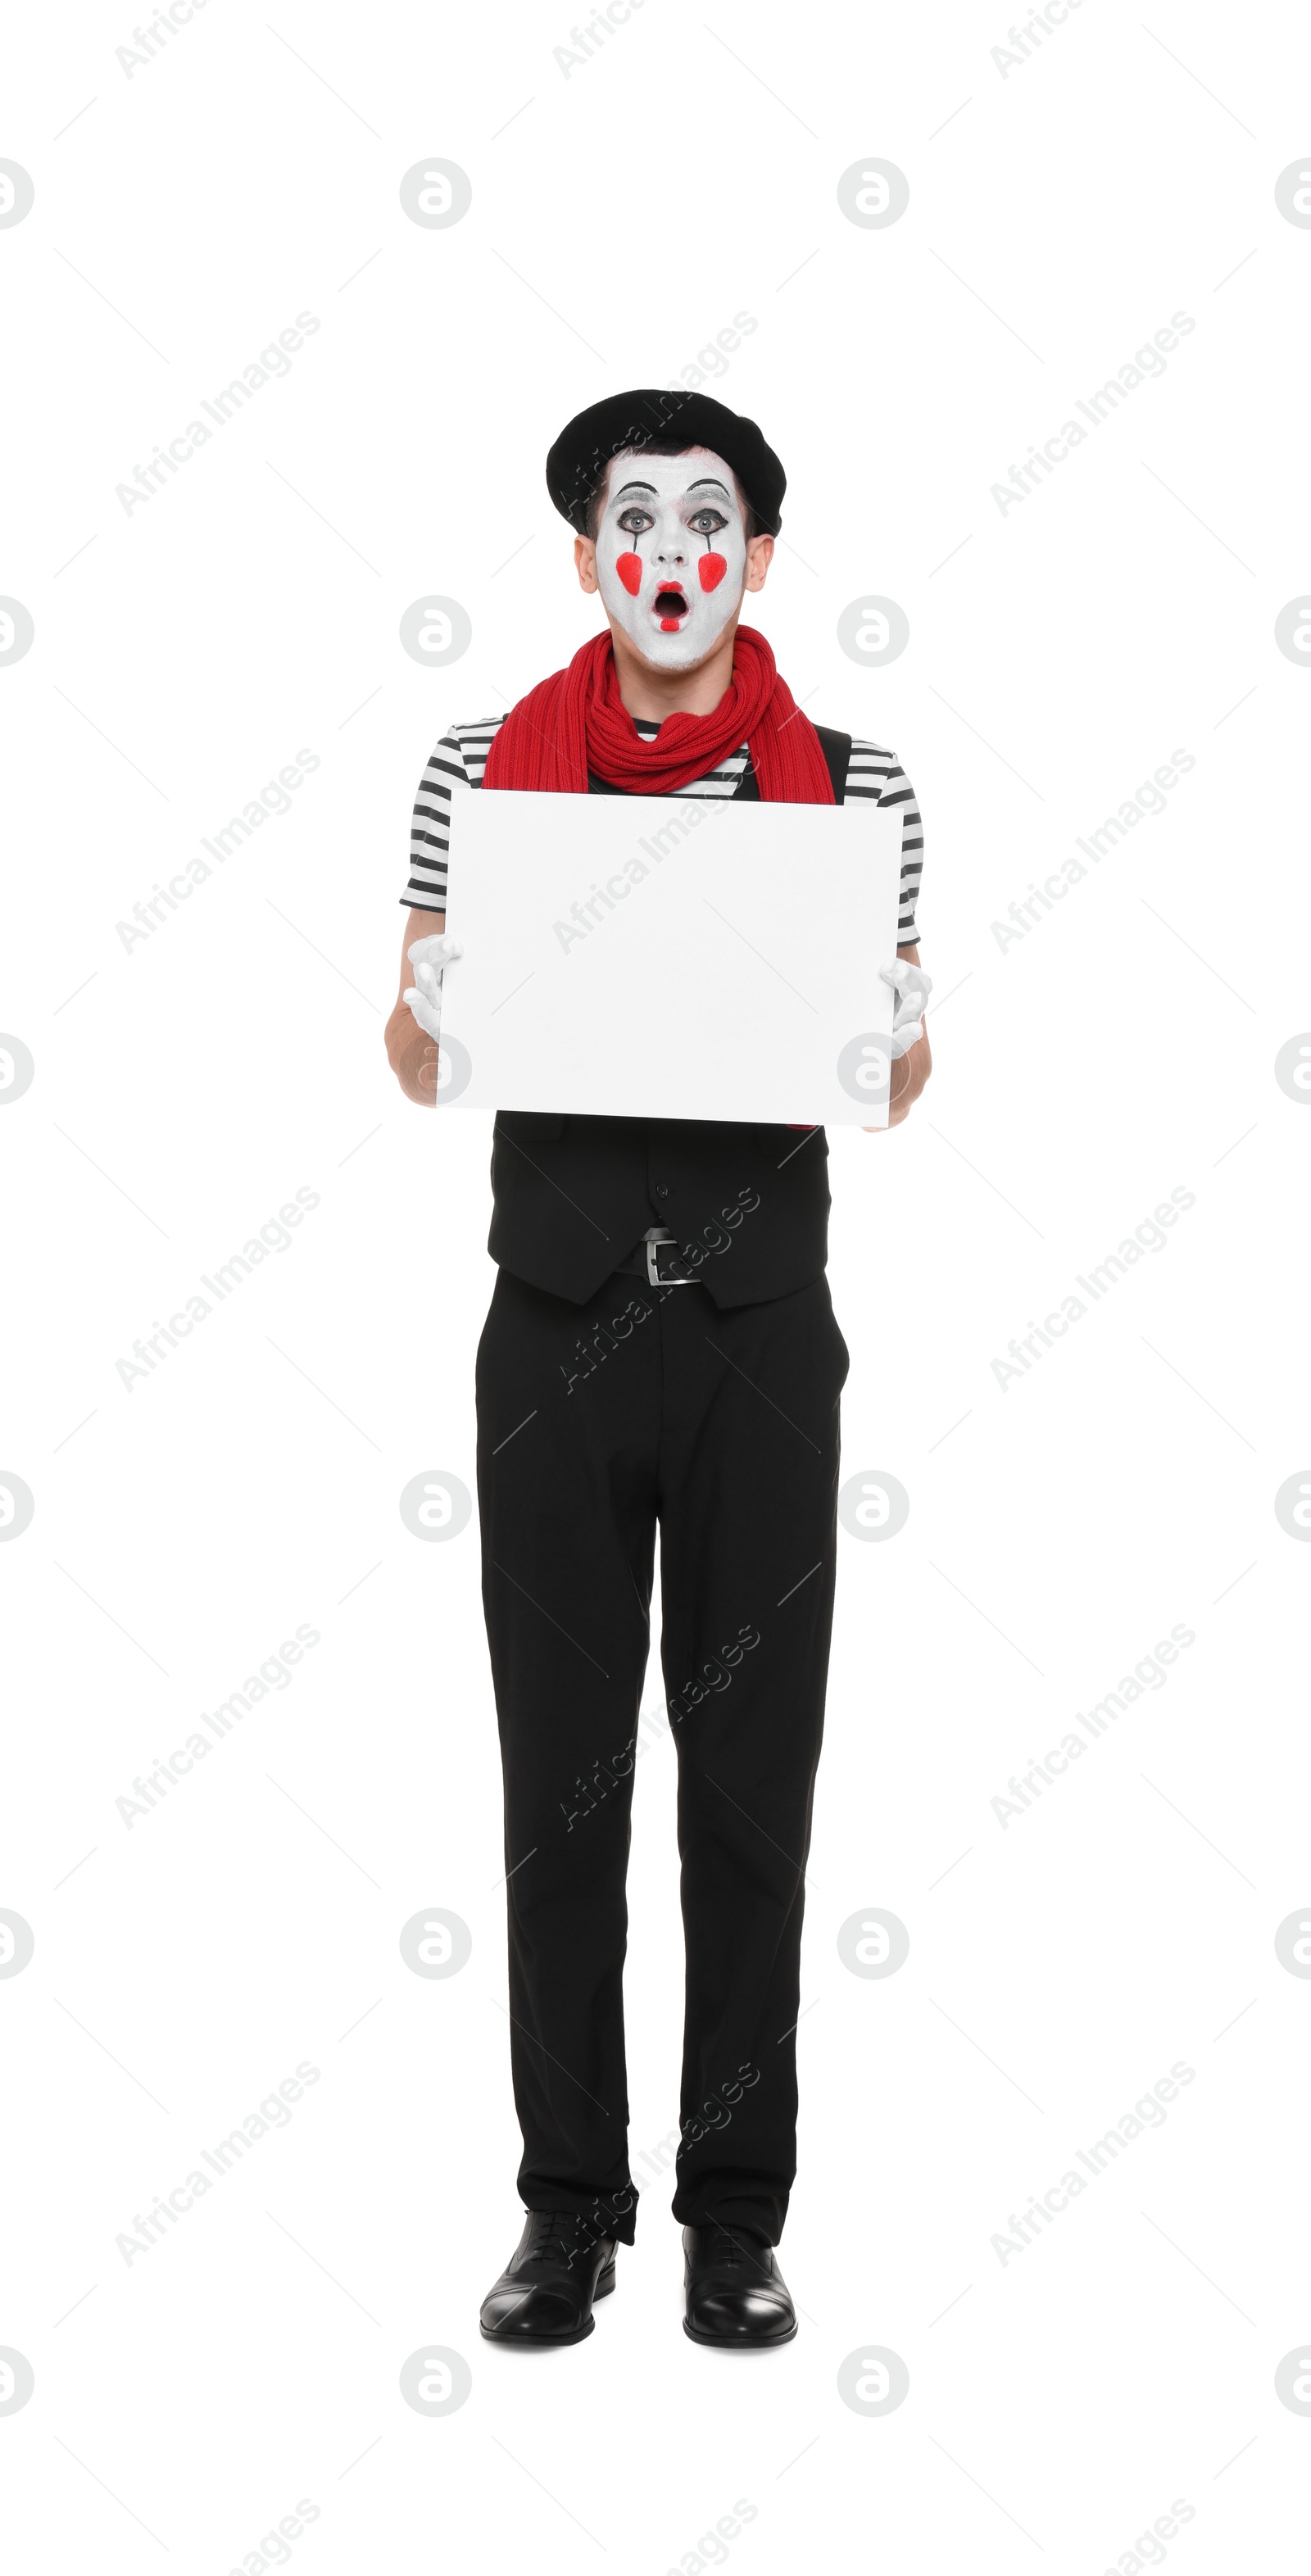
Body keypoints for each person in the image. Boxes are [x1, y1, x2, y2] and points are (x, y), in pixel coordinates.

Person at [384, 389, 932, 2349]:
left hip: (759, 1348)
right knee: (560, 1792)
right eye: (637, 517)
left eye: (711, 519)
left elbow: (889, 1084)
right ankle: (564, 2208)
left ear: (757, 559)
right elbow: (420, 1050)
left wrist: (896, 1037)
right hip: (549, 1334)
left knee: (751, 1794)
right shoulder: (480, 767)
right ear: (590, 555)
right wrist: (424, 1005)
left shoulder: (855, 785)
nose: (673, 548)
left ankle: (732, 2212)